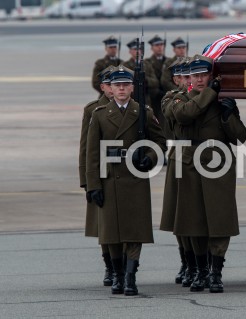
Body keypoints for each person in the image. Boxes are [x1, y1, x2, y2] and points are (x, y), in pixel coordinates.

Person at [86, 65, 167, 296]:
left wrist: (149, 158)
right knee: (112, 233)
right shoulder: (100, 115)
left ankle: (131, 277)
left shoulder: (143, 112)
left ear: (132, 87)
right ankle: (118, 275)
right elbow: (92, 154)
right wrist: (93, 185)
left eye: (125, 84)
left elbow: (161, 143)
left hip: (134, 178)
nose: (121, 89)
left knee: (134, 231)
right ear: (110, 88)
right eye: (117, 85)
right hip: (110, 178)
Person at [170, 54, 246, 293]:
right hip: (191, 163)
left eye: (205, 75)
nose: (201, 79)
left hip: (219, 162)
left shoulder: (223, 99)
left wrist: (227, 116)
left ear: (211, 75)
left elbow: (240, 136)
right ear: (189, 78)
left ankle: (216, 272)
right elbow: (185, 114)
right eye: (196, 76)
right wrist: (212, 93)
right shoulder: (178, 99)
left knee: (219, 219)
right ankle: (201, 270)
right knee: (194, 219)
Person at [159, 57, 196, 287]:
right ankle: (187, 261)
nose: (187, 81)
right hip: (179, 156)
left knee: (195, 216)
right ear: (175, 79)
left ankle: (196, 263)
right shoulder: (171, 98)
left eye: (190, 76)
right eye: (183, 77)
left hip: (198, 158)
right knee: (180, 216)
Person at [79, 66, 115, 286]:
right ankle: (109, 266)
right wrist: (87, 182)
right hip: (100, 174)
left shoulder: (136, 108)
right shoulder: (93, 109)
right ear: (103, 86)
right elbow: (86, 149)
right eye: (110, 84)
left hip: (124, 174)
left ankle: (122, 268)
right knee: (105, 227)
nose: (114, 88)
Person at [123, 38, 160, 111]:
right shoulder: (125, 66)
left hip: (146, 98)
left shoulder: (147, 64)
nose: (137, 51)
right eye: (135, 49)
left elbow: (155, 82)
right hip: (131, 99)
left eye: (139, 49)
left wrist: (145, 79)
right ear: (130, 51)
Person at [146, 34, 168, 120]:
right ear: (152, 48)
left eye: (161, 45)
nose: (159, 47)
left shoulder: (169, 61)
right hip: (153, 98)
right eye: (157, 45)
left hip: (166, 94)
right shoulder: (147, 62)